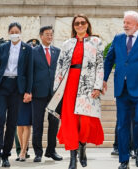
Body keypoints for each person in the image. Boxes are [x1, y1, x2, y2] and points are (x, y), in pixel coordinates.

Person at [46, 14, 104, 169]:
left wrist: (98, 86)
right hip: (69, 84)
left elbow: (100, 65)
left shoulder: (96, 42)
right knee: (69, 121)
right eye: (76, 23)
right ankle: (73, 157)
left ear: (87, 24)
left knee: (85, 121)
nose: (79, 25)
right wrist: (57, 89)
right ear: (73, 26)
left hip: (87, 85)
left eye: (82, 22)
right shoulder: (67, 43)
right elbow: (60, 66)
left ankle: (82, 146)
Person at [103, 11, 138, 169]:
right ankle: (124, 160)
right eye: (124, 22)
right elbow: (109, 60)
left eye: (128, 22)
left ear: (136, 24)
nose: (125, 25)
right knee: (122, 124)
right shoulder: (118, 38)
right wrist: (103, 80)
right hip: (122, 89)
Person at [0, 22, 33, 167]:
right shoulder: (3, 47)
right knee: (0, 119)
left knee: (12, 122)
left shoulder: (27, 49)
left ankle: (6, 155)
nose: (14, 33)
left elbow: (29, 72)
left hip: (17, 88)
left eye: (17, 31)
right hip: (2, 86)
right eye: (12, 31)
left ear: (20, 32)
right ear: (9, 33)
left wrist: (28, 91)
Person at [31, 26, 63, 163]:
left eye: (51, 34)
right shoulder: (33, 52)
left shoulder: (58, 52)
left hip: (54, 94)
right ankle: (38, 152)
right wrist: (28, 91)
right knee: (37, 124)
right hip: (38, 93)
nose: (50, 36)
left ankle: (51, 150)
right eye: (47, 34)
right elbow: (29, 72)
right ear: (41, 36)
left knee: (54, 123)